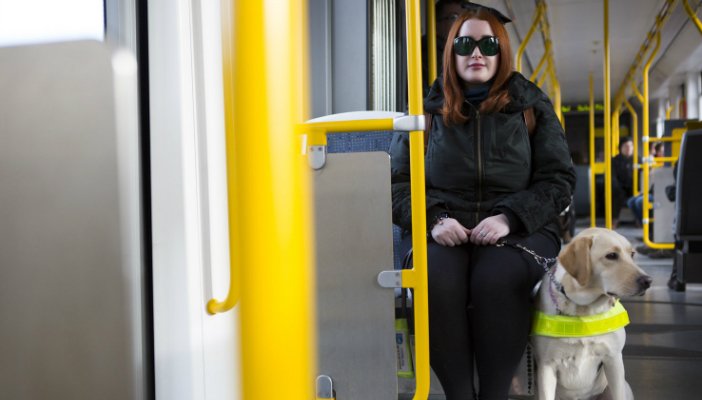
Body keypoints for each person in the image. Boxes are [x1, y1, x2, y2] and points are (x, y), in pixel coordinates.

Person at [389, 3, 575, 399]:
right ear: (451, 53)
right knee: (435, 280)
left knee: (496, 279)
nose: (477, 53)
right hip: (442, 224)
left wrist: (510, 217)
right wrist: (434, 218)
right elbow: (397, 181)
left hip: (519, 225)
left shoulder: (531, 105)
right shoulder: (426, 110)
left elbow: (558, 180)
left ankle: (493, 394)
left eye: (488, 44)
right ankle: (458, 394)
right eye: (466, 44)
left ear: (501, 51)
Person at [611, 136, 634, 225]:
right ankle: (615, 220)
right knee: (616, 193)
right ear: (621, 148)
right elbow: (612, 177)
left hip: (634, 186)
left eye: (631, 146)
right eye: (626, 146)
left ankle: (639, 220)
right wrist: (616, 186)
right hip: (620, 187)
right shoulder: (614, 161)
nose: (628, 148)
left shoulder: (638, 159)